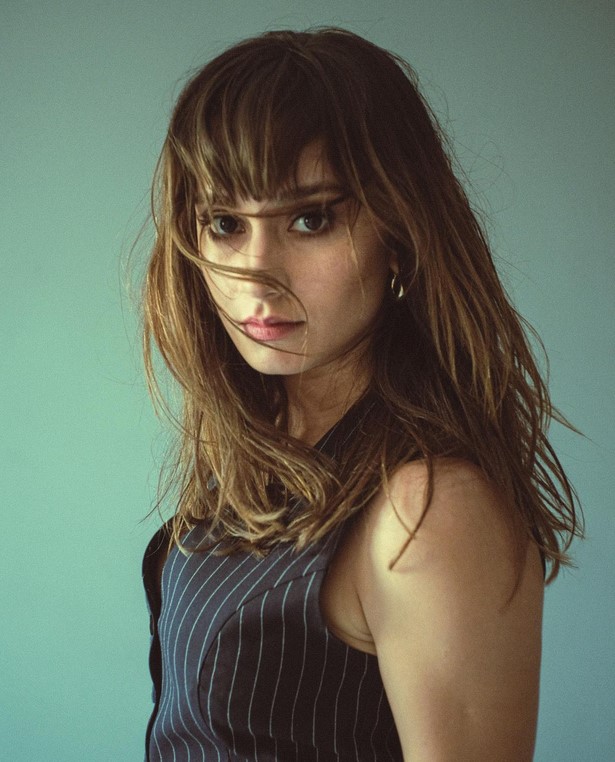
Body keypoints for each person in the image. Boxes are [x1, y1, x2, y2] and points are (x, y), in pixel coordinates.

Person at [141, 28, 581, 761]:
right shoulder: (265, 455)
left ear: (398, 234)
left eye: (310, 219)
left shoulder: (428, 510)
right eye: (224, 224)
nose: (257, 272)